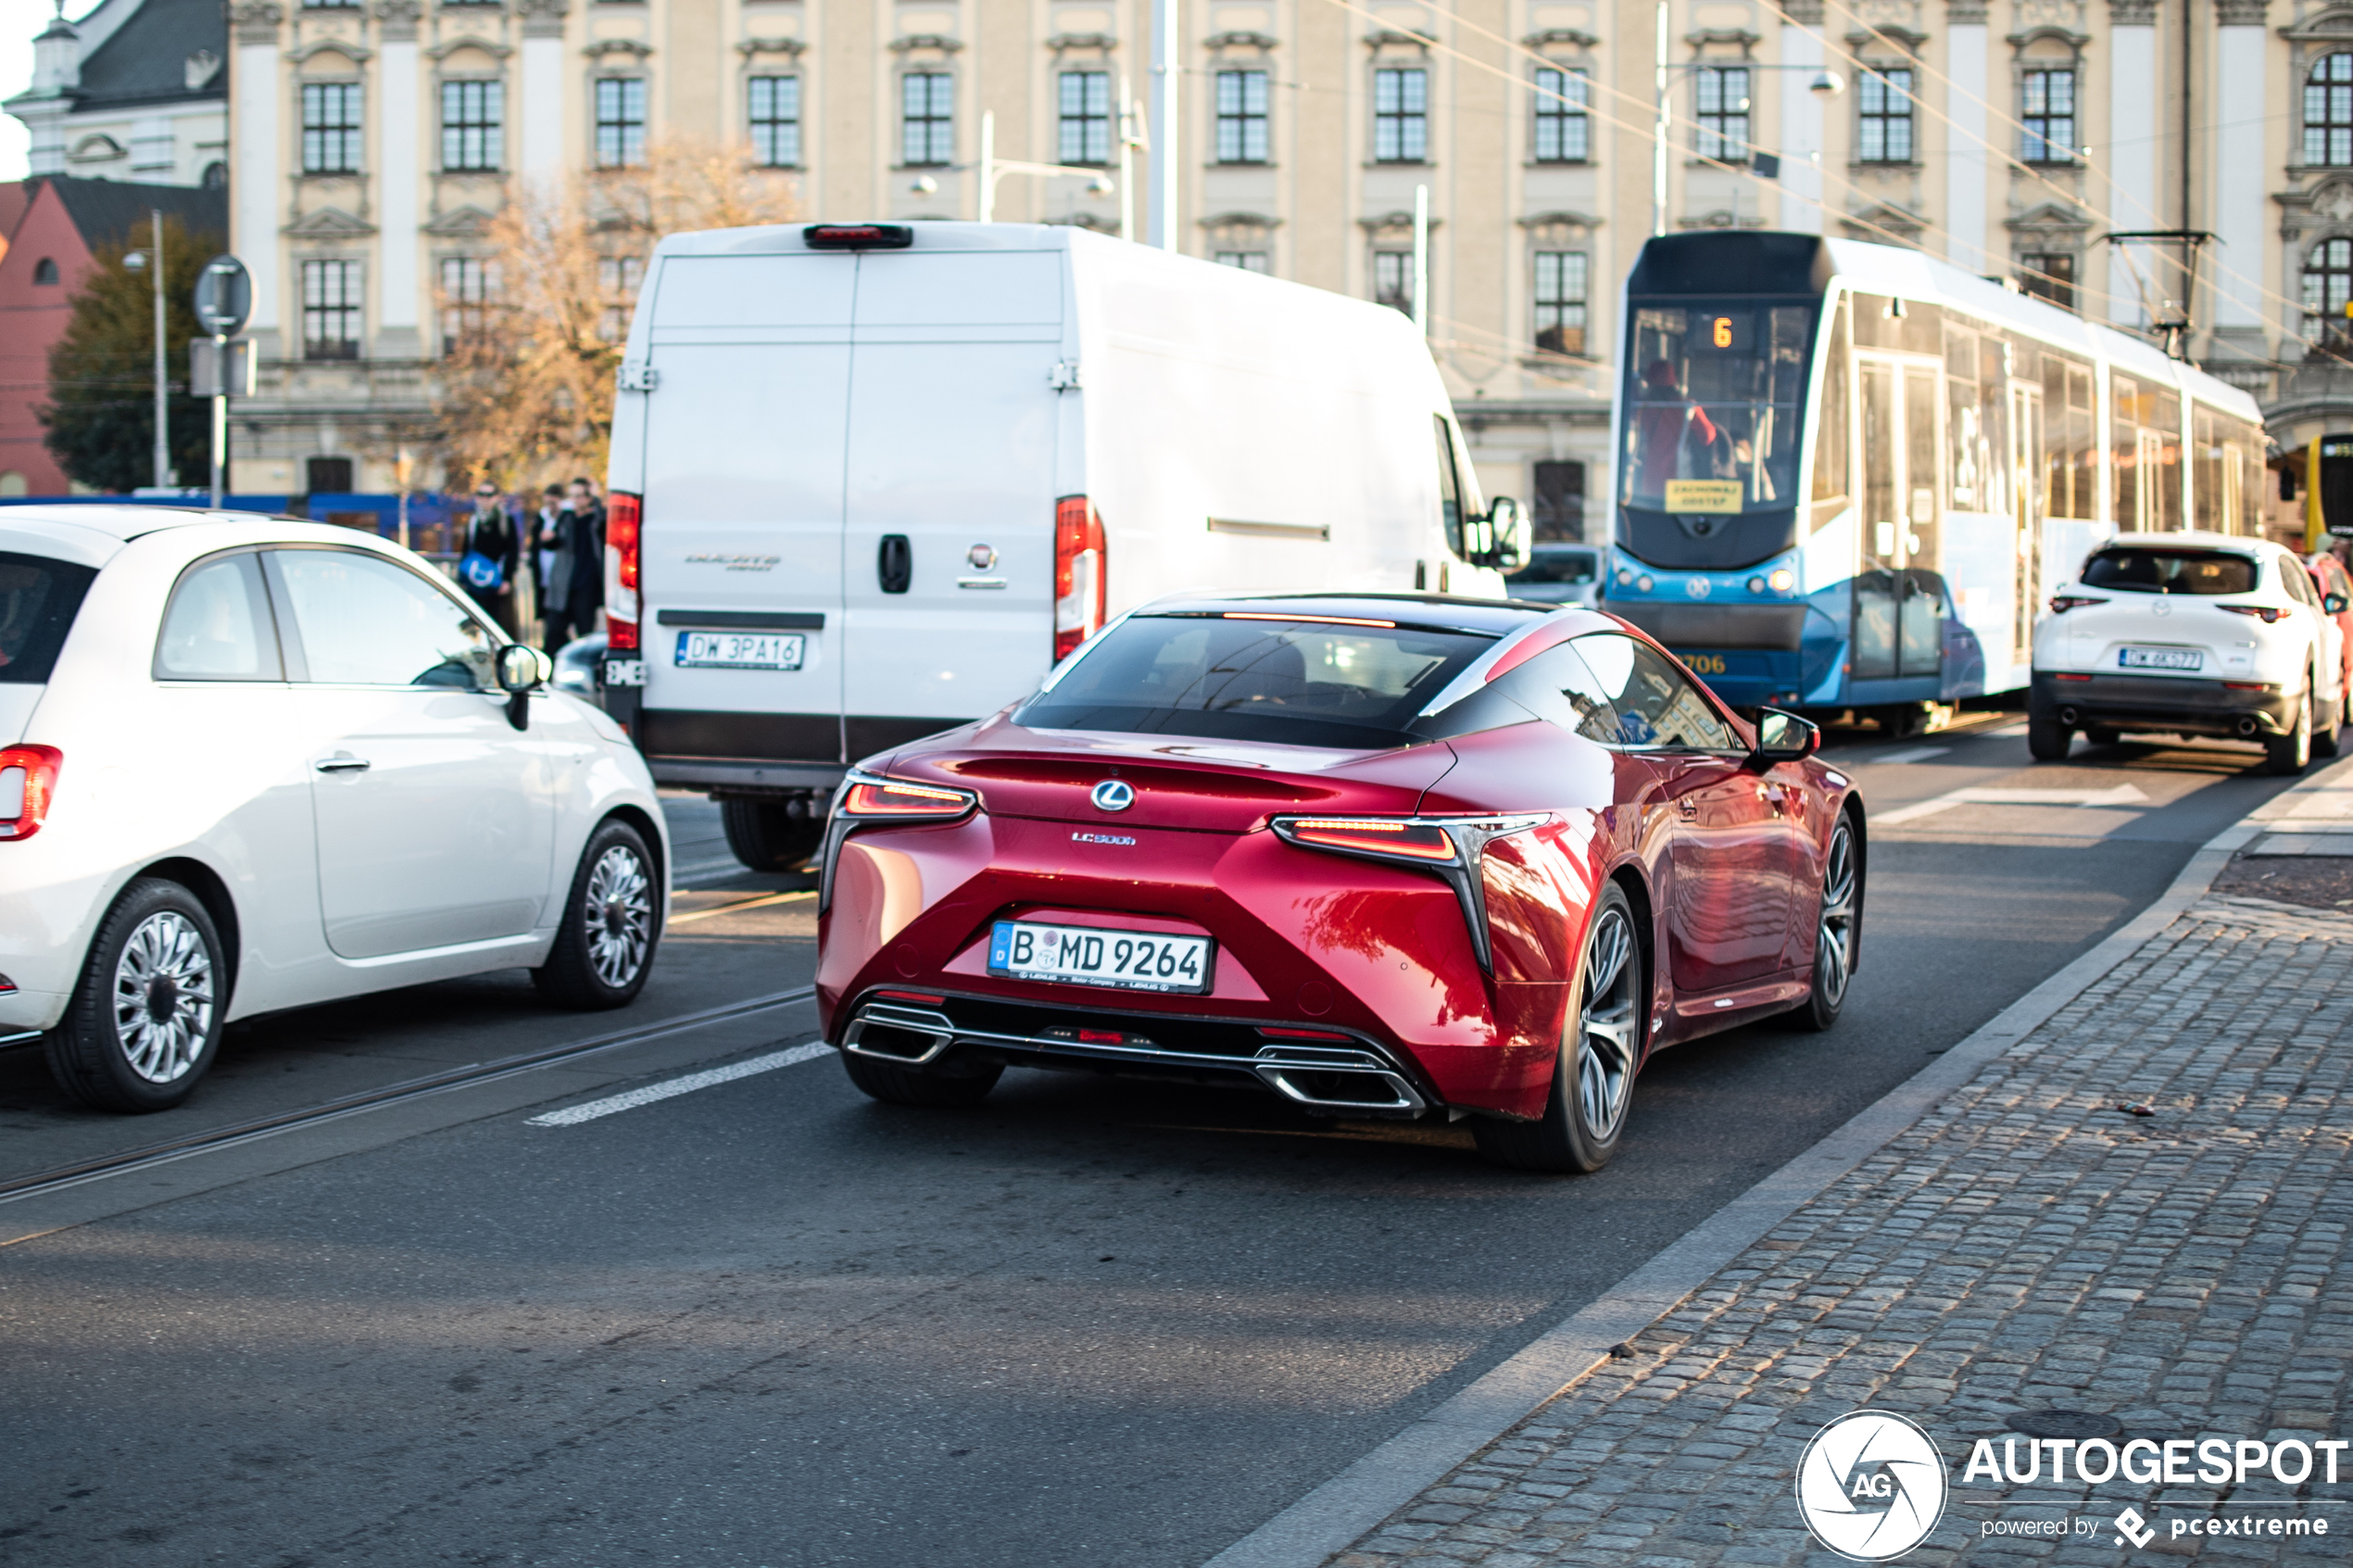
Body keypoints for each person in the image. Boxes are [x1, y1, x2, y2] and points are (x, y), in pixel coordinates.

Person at [1633, 358, 1722, 498]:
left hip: (1652, 479)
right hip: (1681, 480)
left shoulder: (1645, 408)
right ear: (1674, 381)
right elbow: (1707, 436)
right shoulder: (1687, 406)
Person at [541, 477, 605, 652]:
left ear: (589, 497)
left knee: (585, 635)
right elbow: (552, 543)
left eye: (579, 496)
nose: (575, 501)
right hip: (562, 585)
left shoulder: (598, 519)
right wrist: (548, 539)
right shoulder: (567, 518)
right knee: (554, 632)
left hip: (586, 587)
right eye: (572, 496)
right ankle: (552, 671)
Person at [459, 482, 521, 638]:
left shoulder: (505, 520)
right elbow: (467, 550)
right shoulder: (473, 521)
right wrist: (463, 579)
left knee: (501, 626)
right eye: (481, 494)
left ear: (497, 498)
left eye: (489, 495)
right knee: (476, 625)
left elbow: (513, 551)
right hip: (475, 583)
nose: (484, 499)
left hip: (497, 583)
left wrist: (507, 579)